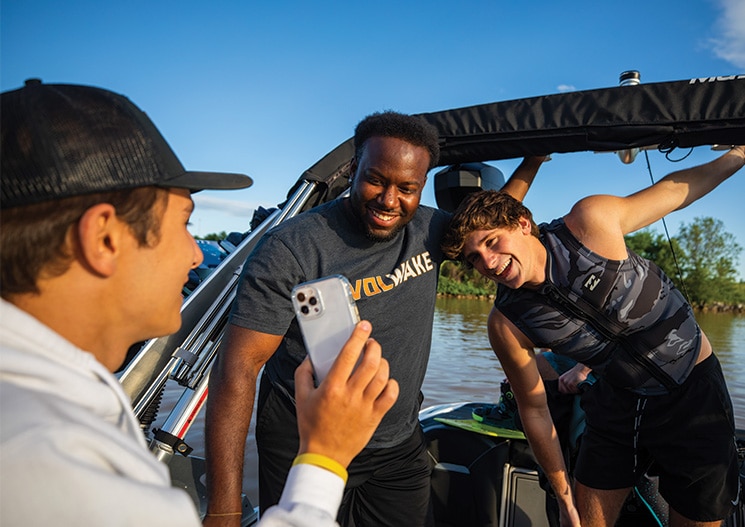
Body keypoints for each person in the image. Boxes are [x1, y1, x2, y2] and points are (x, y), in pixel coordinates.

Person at [0, 80, 395, 527]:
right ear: (104, 238)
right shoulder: (51, 461)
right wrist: (324, 456)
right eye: (185, 223)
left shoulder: (54, 391)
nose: (194, 252)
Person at [204, 109, 545, 526]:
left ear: (421, 187)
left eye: (407, 187)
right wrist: (223, 511)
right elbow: (238, 368)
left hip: (397, 443)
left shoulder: (430, 229)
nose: (389, 199)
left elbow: (494, 222)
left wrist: (532, 160)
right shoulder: (291, 248)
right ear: (352, 169)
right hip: (306, 441)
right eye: (376, 180)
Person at [441, 147, 745, 527]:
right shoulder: (507, 323)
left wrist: (738, 153)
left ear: (522, 222)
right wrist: (565, 499)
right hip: (618, 400)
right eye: (473, 258)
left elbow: (674, 191)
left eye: (491, 242)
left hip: (693, 390)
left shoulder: (589, 223)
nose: (487, 263)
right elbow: (534, 411)